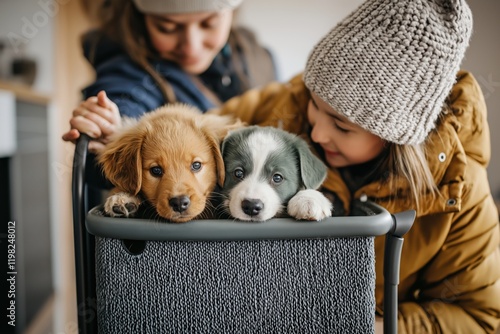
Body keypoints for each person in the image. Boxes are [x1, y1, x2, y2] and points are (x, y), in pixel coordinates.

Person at [211, 0, 500, 332]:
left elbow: (479, 318)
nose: (317, 133)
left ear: (395, 137)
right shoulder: (280, 106)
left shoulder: (456, 192)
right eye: (315, 106)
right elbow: (189, 138)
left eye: (342, 126)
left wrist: (372, 326)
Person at [62, 0, 276, 205]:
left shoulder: (258, 57)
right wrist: (114, 128)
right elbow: (125, 97)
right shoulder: (129, 71)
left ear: (231, 13)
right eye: (167, 28)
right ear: (141, 18)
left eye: (209, 23)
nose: (191, 46)